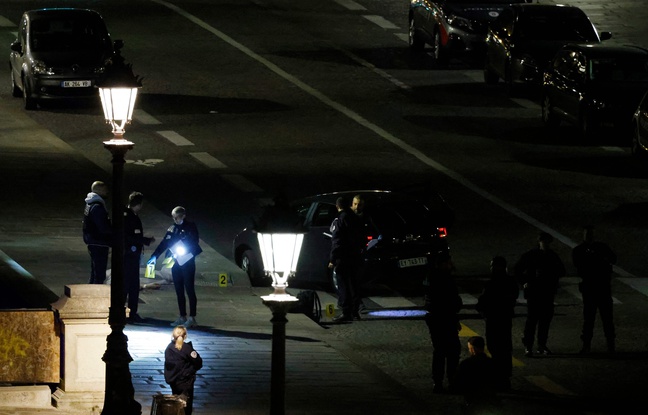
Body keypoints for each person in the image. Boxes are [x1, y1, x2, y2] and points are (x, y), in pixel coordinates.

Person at [149, 206, 203, 328]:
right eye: (173, 217)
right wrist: (154, 256)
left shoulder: (190, 227)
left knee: (189, 289)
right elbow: (164, 243)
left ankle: (192, 317)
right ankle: (182, 315)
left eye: (176, 217)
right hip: (175, 261)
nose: (174, 219)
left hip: (187, 261)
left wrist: (184, 245)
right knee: (178, 289)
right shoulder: (172, 228)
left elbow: (194, 241)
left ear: (183, 216)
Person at [514, 231, 566, 356]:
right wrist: (525, 282)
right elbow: (517, 269)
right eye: (544, 241)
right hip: (535, 291)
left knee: (544, 321)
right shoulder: (531, 255)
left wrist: (551, 276)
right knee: (532, 320)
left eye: (547, 242)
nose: (546, 244)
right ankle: (529, 345)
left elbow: (562, 271)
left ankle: (541, 345)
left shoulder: (552, 256)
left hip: (547, 292)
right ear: (540, 242)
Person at [572, 225, 617, 354]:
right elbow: (579, 265)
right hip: (592, 288)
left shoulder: (598, 248)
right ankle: (588, 345)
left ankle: (609, 345)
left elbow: (614, 259)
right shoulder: (580, 250)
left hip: (600, 287)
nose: (588, 236)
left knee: (605, 318)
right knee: (590, 319)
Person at [476, 256, 519, 390]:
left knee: (495, 348)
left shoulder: (491, 283)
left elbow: (482, 302)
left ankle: (498, 377)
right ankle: (505, 378)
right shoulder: (510, 282)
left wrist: (483, 312)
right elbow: (514, 297)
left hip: (494, 319)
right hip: (505, 319)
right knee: (505, 349)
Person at [423, 252, 462, 393]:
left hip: (435, 317)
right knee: (452, 350)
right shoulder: (444, 278)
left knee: (440, 351)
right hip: (444, 318)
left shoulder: (431, 277)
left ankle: (438, 382)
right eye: (448, 262)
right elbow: (451, 301)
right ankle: (451, 381)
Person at [328, 196, 364, 322]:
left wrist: (333, 259)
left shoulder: (340, 219)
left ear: (337, 206)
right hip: (355, 256)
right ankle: (355, 311)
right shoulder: (356, 218)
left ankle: (346, 312)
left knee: (343, 285)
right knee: (354, 285)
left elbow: (337, 240)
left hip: (343, 257)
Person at [123, 191, 155, 324]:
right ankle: (130, 313)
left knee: (129, 285)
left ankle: (126, 312)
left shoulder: (126, 215)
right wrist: (146, 240)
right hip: (130, 255)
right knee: (130, 285)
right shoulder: (130, 217)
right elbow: (131, 236)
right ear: (139, 204)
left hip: (128, 255)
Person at [453, 336, 500, 415]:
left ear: (472, 348)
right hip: (489, 398)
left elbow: (457, 383)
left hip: (472, 399)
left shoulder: (465, 364)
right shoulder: (492, 363)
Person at [165, 325, 203, 415]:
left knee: (176, 403)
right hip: (185, 382)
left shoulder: (169, 349)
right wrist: (191, 370)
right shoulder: (187, 348)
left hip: (173, 381)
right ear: (185, 336)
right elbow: (198, 362)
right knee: (186, 406)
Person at [82, 180, 112, 284]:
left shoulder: (90, 204)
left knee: (95, 272)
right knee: (99, 274)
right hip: (99, 243)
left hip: (93, 241)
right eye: (104, 190)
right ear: (99, 191)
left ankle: (91, 292)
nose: (107, 192)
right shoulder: (97, 207)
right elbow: (103, 227)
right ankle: (95, 294)